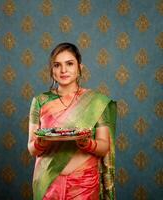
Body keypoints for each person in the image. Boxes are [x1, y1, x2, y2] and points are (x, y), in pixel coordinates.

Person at [27, 42, 116, 200]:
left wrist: (87, 143)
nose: (63, 70)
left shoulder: (95, 102)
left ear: (80, 68)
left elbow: (104, 146)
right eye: (57, 65)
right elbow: (32, 148)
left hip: (84, 186)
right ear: (51, 70)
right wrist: (43, 141)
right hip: (49, 183)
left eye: (69, 63)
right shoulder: (40, 101)